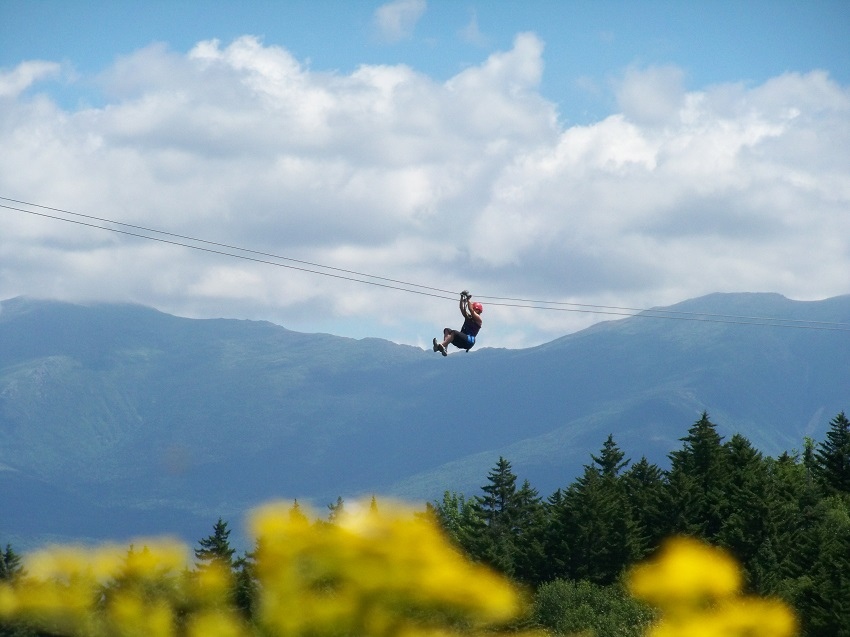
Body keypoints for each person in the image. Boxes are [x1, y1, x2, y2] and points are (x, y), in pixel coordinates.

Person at [433, 291, 483, 356]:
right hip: (461, 341)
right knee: (447, 330)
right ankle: (444, 348)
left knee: (454, 332)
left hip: (469, 342)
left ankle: (441, 346)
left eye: (474, 309)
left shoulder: (479, 319)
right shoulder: (469, 317)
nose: (473, 309)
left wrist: (468, 299)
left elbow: (471, 309)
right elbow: (462, 308)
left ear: (478, 310)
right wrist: (462, 297)